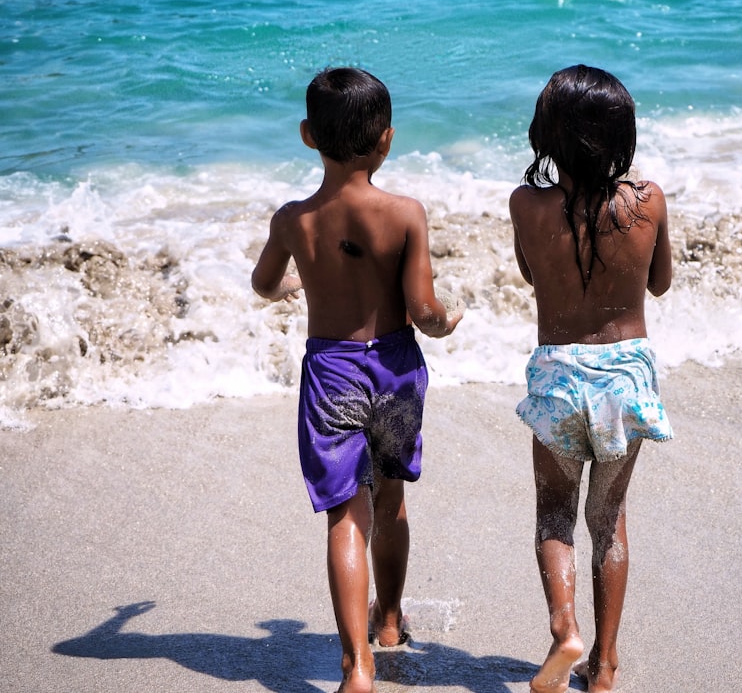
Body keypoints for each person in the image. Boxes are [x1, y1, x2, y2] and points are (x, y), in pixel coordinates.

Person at [252, 67, 462, 693]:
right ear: (387, 140)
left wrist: (296, 284)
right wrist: (445, 323)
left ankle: (356, 668)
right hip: (394, 368)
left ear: (307, 135)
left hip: (332, 370)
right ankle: (390, 623)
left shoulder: (294, 219)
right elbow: (422, 311)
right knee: (391, 497)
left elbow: (265, 284)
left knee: (346, 513)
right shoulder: (404, 214)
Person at [509, 65, 674, 693]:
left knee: (555, 515)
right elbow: (658, 283)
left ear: (548, 134)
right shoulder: (648, 200)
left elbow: (531, 275)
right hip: (626, 377)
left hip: (557, 372)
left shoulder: (526, 203)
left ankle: (564, 630)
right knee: (610, 520)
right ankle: (604, 669)